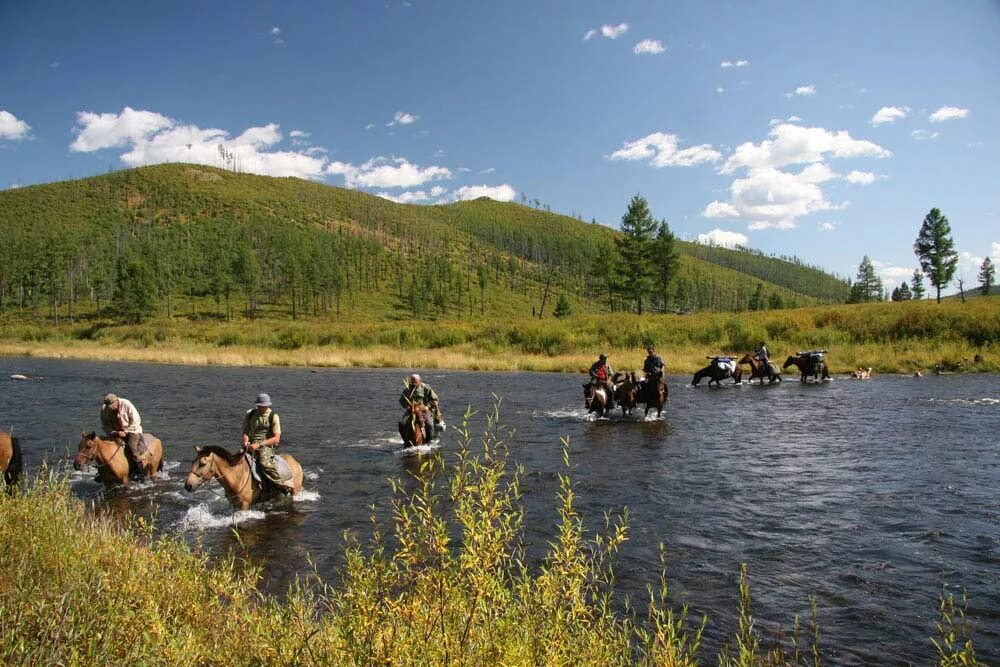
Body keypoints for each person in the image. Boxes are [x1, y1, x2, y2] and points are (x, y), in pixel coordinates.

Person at [241, 393, 292, 494]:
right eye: (259, 406)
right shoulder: (250, 414)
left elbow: (276, 438)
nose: (261, 408)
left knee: (265, 463)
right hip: (251, 445)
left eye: (263, 406)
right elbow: (246, 431)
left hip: (266, 446)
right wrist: (245, 441)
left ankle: (280, 485)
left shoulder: (273, 416)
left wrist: (259, 445)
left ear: (268, 405)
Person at [100, 393, 145, 478]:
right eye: (109, 407)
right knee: (106, 448)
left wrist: (126, 432)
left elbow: (136, 421)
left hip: (133, 430)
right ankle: (104, 470)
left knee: (131, 447)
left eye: (112, 406)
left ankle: (140, 472)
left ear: (117, 401)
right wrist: (113, 432)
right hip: (116, 432)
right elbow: (105, 425)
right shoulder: (104, 409)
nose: (111, 409)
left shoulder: (126, 404)